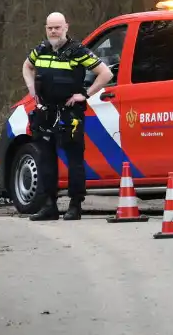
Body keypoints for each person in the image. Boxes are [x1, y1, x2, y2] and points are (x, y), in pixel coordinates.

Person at [23, 12, 113, 221]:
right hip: (45, 111)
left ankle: (75, 205)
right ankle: (49, 205)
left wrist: (85, 95)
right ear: (46, 29)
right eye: (50, 28)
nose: (53, 31)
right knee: (45, 159)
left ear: (66, 27)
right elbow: (27, 66)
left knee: (74, 160)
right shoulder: (41, 49)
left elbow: (106, 74)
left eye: (57, 27)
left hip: (69, 113)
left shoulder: (77, 51)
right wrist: (31, 89)